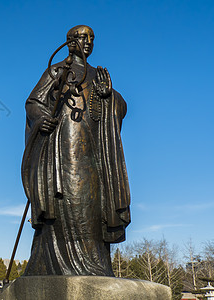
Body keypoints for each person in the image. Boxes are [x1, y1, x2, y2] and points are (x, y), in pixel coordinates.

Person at [21, 25, 130, 276]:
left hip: (93, 144)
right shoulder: (57, 71)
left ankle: (97, 264)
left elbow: (120, 106)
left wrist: (108, 96)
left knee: (94, 198)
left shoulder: (97, 74)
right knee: (70, 194)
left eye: (92, 38)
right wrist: (41, 118)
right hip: (65, 140)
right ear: (70, 42)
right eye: (83, 38)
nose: (88, 42)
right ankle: (60, 264)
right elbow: (34, 102)